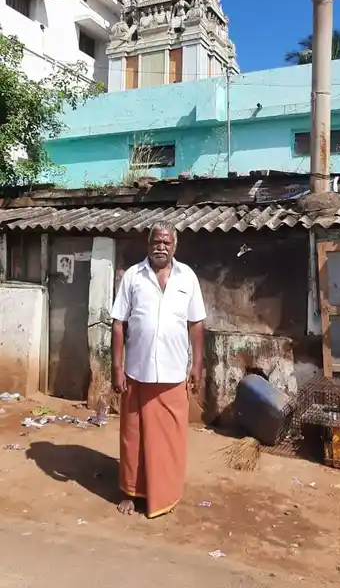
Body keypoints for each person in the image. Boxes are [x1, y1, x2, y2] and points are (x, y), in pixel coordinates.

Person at [111, 222, 206, 519]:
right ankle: (131, 492)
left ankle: (164, 492)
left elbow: (196, 323)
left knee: (168, 439)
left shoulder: (187, 277)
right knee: (134, 436)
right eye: (155, 241)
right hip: (136, 374)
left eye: (166, 242)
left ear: (174, 247)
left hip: (173, 374)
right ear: (148, 244)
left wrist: (198, 363)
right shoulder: (132, 278)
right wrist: (116, 366)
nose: (160, 247)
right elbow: (118, 323)